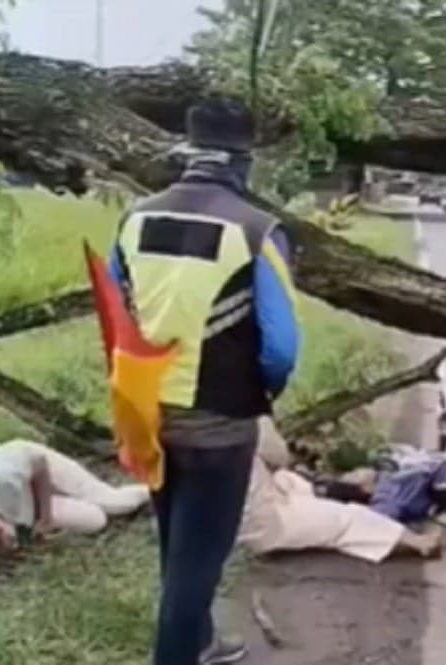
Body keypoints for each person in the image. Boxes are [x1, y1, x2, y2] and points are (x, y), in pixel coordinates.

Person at [106, 97, 300, 665]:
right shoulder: (258, 230)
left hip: (148, 416)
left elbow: (115, 314)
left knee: (177, 548)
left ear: (189, 154)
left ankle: (203, 644)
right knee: (198, 566)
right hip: (220, 425)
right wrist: (260, 392)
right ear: (245, 162)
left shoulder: (136, 219)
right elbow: (282, 347)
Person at [239, 417, 443, 562]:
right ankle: (418, 543)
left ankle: (350, 493)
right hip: (264, 521)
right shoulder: (242, 413)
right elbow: (278, 455)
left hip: (232, 519)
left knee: (292, 482)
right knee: (347, 519)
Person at [0, 439, 150, 571]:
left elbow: (38, 463)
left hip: (36, 467)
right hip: (26, 503)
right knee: (94, 520)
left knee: (115, 503)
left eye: (11, 544)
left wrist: (46, 517)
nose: (15, 548)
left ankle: (157, 489)